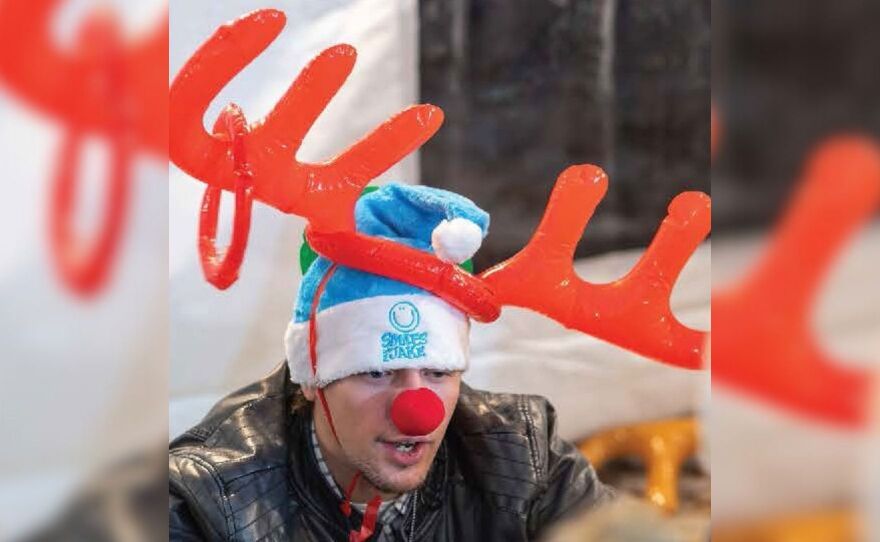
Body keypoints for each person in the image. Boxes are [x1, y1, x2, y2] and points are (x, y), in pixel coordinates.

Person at [169, 183, 612, 541]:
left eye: (437, 372)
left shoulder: (523, 454)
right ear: (313, 377)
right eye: (377, 372)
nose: (419, 411)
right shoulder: (205, 500)